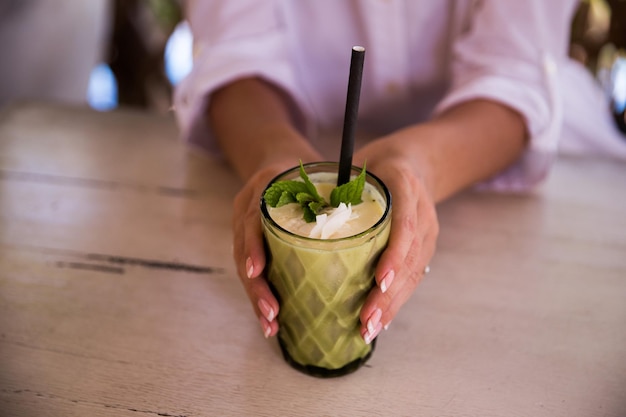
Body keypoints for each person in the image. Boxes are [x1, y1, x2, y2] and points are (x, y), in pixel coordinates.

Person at [174, 1, 621, 345]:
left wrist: (417, 165)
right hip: (296, 127)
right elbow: (232, 55)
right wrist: (276, 153)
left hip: (532, 175)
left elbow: (516, 76)